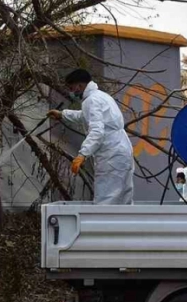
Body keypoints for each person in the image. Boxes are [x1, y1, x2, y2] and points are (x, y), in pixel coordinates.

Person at [47, 69, 134, 205]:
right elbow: (85, 116)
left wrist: (83, 154)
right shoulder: (101, 96)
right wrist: (62, 114)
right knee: (123, 199)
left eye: (71, 88)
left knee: (106, 199)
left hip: (111, 154)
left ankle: (102, 227)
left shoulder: (92, 100)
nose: (71, 92)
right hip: (121, 150)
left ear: (80, 86)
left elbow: (97, 131)